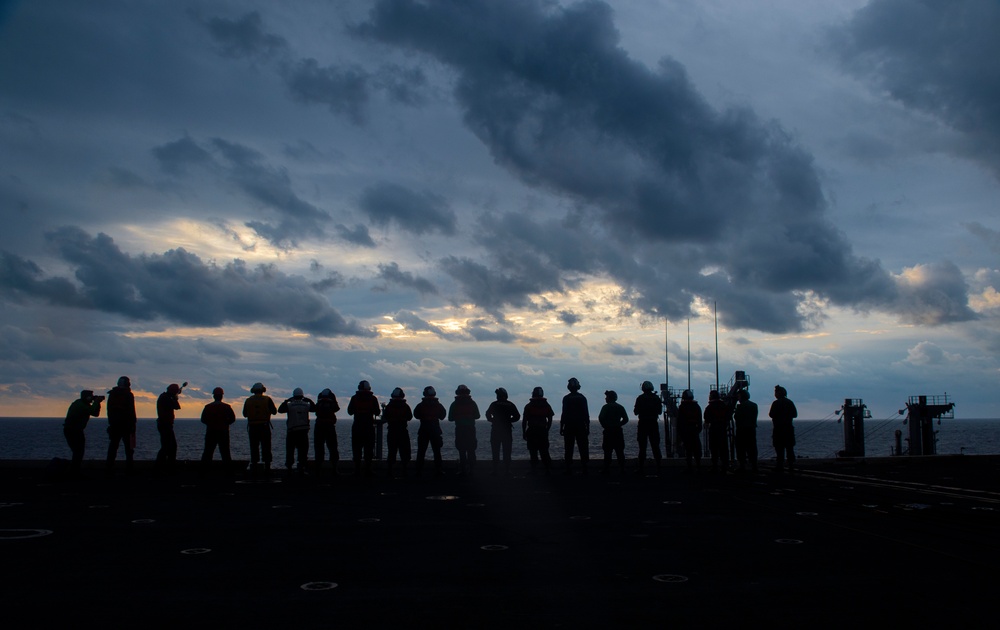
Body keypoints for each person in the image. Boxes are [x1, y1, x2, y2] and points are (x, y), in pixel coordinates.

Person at [64, 390, 102, 476]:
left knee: (78, 451)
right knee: (78, 451)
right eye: (91, 396)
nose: (92, 398)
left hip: (75, 430)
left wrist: (97, 403)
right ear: (87, 397)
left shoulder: (82, 404)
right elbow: (92, 411)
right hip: (73, 430)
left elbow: (95, 414)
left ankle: (74, 471)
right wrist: (96, 402)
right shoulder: (80, 405)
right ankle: (74, 472)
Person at [243, 382, 278, 476]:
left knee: (254, 447)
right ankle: (267, 467)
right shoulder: (267, 399)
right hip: (264, 426)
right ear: (263, 390)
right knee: (266, 447)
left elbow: (245, 414)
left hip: (253, 427)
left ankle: (254, 466)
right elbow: (274, 412)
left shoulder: (248, 400)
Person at [278, 388, 315, 476]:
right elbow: (315, 409)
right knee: (303, 451)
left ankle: (289, 468)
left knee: (290, 451)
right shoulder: (306, 405)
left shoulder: (290, 405)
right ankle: (301, 468)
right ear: (302, 396)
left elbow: (280, 410)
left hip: (292, 431)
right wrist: (310, 400)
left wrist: (286, 401)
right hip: (303, 431)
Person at [347, 380, 380, 476]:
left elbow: (350, 411)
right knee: (369, 449)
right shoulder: (373, 399)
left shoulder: (354, 398)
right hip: (369, 427)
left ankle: (357, 470)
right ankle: (368, 470)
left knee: (357, 449)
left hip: (357, 426)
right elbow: (377, 412)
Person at [106, 376, 137, 476]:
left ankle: (109, 468)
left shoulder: (112, 394)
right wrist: (133, 425)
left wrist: (111, 423)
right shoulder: (128, 395)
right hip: (126, 425)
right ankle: (129, 469)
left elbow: (109, 411)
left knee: (113, 447)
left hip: (114, 425)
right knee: (129, 449)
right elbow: (131, 411)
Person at [485, 387, 520, 475]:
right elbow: (517, 416)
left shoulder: (494, 404)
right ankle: (507, 470)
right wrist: (509, 421)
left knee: (495, 451)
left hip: (496, 430)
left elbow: (488, 414)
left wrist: (492, 420)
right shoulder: (510, 404)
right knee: (507, 451)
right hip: (507, 431)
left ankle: (495, 470)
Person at [200, 387, 236, 473]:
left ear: (214, 396)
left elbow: (203, 419)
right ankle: (228, 472)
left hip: (211, 432)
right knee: (225, 453)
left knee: (208, 452)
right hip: (223, 432)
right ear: (221, 396)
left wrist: (211, 424)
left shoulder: (208, 407)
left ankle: (204, 472)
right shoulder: (227, 407)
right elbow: (232, 419)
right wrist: (225, 424)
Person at [413, 386, 447, 476]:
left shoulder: (420, 405)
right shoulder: (438, 405)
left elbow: (416, 415)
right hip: (435, 429)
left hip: (424, 429)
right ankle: (438, 470)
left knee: (421, 451)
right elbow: (443, 416)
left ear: (424, 394)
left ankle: (418, 470)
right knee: (436, 451)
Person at [449, 384, 480, 476]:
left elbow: (450, 418)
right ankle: (472, 469)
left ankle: (463, 470)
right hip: (470, 429)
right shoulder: (473, 403)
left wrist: (459, 417)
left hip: (460, 429)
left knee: (461, 450)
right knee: (471, 449)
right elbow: (477, 416)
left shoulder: (454, 404)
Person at [560, 377, 590, 474]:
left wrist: (561, 427)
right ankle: (584, 466)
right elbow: (586, 413)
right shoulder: (582, 398)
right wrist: (587, 427)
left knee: (568, 447)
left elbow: (564, 413)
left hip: (569, 426)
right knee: (583, 446)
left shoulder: (566, 398)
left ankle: (568, 467)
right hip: (581, 425)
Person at [633, 380, 664, 474]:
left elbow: (635, 412)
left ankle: (641, 468)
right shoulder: (656, 398)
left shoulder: (640, 398)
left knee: (642, 447)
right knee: (656, 446)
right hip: (653, 424)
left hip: (643, 424)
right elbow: (659, 412)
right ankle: (659, 467)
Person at [522, 386, 554, 473]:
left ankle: (534, 469)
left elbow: (525, 420)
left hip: (532, 431)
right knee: (544, 451)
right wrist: (547, 429)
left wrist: (524, 432)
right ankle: (548, 468)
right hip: (542, 431)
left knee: (533, 451)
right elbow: (550, 418)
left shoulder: (529, 406)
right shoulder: (546, 405)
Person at [383, 387, 413, 477]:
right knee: (404, 452)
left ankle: (389, 471)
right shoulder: (405, 406)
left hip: (392, 431)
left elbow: (385, 417)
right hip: (403, 431)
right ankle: (404, 470)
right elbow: (410, 417)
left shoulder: (389, 406)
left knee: (392, 451)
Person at [598, 390, 628, 474]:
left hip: (608, 431)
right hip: (618, 431)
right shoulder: (620, 407)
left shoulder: (606, 407)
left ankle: (606, 468)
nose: (605, 398)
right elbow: (626, 419)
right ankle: (622, 468)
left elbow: (601, 417)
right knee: (620, 451)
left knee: (607, 451)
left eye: (606, 397)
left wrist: (605, 425)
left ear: (609, 398)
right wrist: (619, 424)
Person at [769, 385, 798, 473]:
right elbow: (795, 414)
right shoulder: (790, 402)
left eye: (776, 392)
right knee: (789, 448)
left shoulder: (776, 403)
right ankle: (791, 466)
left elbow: (771, 414)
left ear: (778, 393)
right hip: (788, 428)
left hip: (778, 429)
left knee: (779, 449)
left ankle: (780, 466)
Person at [155, 383, 182, 473]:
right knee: (168, 447)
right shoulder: (166, 398)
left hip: (164, 424)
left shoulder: (164, 397)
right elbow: (177, 406)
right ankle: (164, 467)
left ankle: (164, 466)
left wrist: (174, 396)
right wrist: (175, 397)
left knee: (169, 446)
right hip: (165, 425)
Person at [314, 388, 341, 477]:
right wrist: (332, 400)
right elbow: (336, 408)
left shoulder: (319, 403)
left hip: (319, 426)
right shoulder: (331, 403)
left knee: (319, 448)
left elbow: (315, 410)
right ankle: (334, 468)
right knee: (333, 448)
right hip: (329, 426)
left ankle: (318, 469)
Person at [704, 389, 731, 474]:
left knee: (714, 448)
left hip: (713, 429)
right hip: (722, 429)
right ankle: (725, 466)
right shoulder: (724, 406)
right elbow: (728, 417)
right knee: (723, 448)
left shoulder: (709, 407)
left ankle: (715, 466)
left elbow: (706, 419)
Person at [676, 389, 703, 472]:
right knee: (697, 449)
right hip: (694, 430)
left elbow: (680, 421)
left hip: (686, 431)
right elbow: (699, 420)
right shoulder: (697, 406)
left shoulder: (682, 407)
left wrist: (680, 432)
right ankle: (698, 466)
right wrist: (698, 429)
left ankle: (689, 467)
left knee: (688, 450)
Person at [733, 389, 759, 473]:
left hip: (742, 430)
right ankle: (754, 465)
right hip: (751, 429)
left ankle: (742, 466)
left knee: (741, 449)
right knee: (752, 448)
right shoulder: (754, 405)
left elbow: (736, 417)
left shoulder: (740, 406)